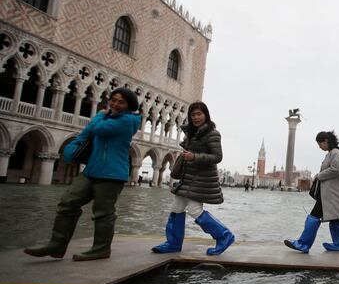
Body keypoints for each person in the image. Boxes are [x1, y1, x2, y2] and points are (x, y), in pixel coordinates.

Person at [24, 88, 141, 261]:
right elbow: (88, 133)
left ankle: (101, 249)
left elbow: (98, 128)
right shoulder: (111, 118)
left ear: (129, 106)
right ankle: (56, 245)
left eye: (121, 102)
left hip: (112, 173)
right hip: (92, 170)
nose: (115, 104)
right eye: (113, 100)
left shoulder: (127, 120)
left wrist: (100, 114)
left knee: (103, 212)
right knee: (67, 202)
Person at [151, 102, 235, 256]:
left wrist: (194, 156)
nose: (196, 117)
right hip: (187, 177)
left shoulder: (213, 134)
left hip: (201, 179)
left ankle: (224, 236)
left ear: (206, 115)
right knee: (176, 208)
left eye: (199, 114)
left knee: (195, 210)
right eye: (193, 114)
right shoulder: (191, 133)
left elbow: (218, 157)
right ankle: (173, 243)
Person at [285, 131, 339, 253]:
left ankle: (303, 244)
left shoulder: (336, 154)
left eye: (320, 144)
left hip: (333, 195)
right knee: (335, 219)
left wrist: (319, 175)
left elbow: (335, 170)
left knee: (314, 215)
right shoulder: (332, 154)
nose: (319, 147)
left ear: (325, 141)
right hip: (333, 194)